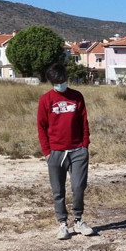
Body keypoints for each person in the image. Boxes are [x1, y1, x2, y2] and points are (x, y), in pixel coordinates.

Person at [37, 63, 94, 240]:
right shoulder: (45, 100)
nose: (59, 84)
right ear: (51, 82)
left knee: (78, 187)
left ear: (66, 79)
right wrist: (47, 152)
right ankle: (62, 224)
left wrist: (85, 145)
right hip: (55, 153)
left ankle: (78, 220)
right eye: (56, 82)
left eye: (62, 81)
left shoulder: (77, 96)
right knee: (58, 190)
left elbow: (84, 122)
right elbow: (41, 127)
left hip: (78, 151)